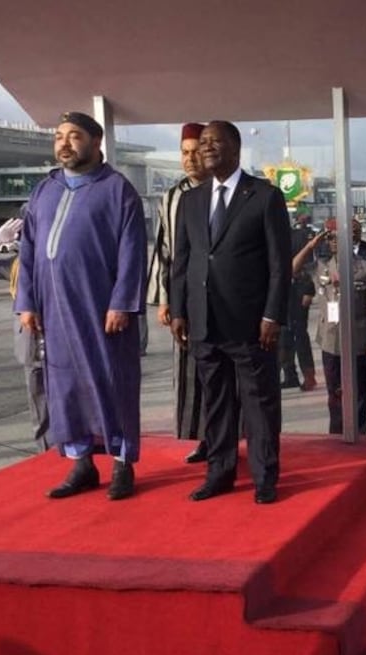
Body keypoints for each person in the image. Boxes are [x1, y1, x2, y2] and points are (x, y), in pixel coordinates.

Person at [15, 111, 147, 500]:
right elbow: (28, 250)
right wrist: (27, 302)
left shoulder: (117, 190)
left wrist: (122, 302)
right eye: (59, 136)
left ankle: (123, 463)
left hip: (101, 309)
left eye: (74, 136)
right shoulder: (45, 190)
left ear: (95, 142)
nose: (64, 143)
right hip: (54, 311)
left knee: (111, 380)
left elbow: (132, 251)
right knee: (65, 384)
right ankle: (82, 463)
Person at [169, 120, 292, 505]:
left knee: (259, 403)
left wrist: (272, 315)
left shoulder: (264, 196)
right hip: (204, 322)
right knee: (216, 403)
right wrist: (178, 310)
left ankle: (264, 475)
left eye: (213, 142)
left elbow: (279, 264)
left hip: (252, 325)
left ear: (235, 150)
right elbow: (182, 261)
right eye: (202, 143)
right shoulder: (191, 200)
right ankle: (219, 473)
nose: (205, 148)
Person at [146, 122, 212, 463]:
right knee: (190, 374)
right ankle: (201, 438)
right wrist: (165, 301)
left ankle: (228, 436)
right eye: (184, 153)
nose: (189, 159)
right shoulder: (172, 197)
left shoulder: (225, 192)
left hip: (223, 300)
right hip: (186, 302)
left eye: (195, 151)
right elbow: (164, 252)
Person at [293, 218, 366, 433]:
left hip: (358, 340)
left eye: (337, 237)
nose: (333, 242)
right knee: (334, 394)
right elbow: (292, 268)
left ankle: (359, 435)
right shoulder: (321, 267)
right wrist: (310, 245)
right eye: (330, 238)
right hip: (330, 341)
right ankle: (336, 435)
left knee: (358, 393)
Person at [0, 217, 49, 451]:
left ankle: (75, 448)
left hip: (60, 338)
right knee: (38, 402)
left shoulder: (55, 262)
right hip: (30, 341)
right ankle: (45, 449)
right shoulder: (15, 265)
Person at [281, 214, 318, 391]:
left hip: (298, 291)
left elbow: (310, 266)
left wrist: (309, 290)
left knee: (300, 335)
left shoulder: (298, 237)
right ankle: (290, 375)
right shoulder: (271, 238)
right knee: (283, 336)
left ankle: (309, 375)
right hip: (281, 293)